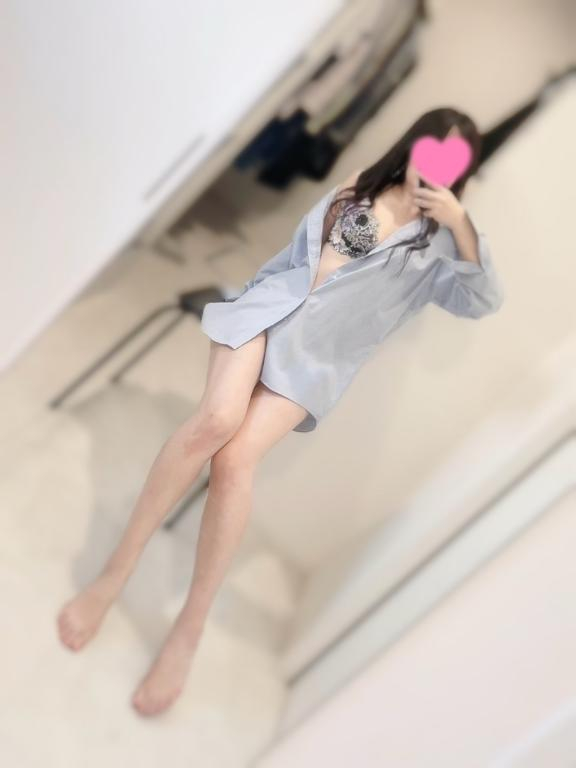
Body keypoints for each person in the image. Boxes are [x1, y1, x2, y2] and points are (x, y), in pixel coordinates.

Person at [56, 107, 505, 716]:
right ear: (414, 144)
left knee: (235, 462)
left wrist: (461, 222)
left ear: (461, 173)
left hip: (312, 365)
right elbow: (300, 264)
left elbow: (483, 300)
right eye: (434, 148)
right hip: (265, 314)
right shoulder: (360, 187)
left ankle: (189, 629)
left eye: (453, 162)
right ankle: (114, 574)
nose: (435, 168)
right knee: (216, 422)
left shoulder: (440, 249)